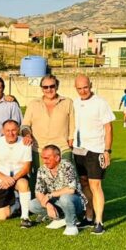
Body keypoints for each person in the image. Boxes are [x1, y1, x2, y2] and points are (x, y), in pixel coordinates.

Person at [72, 75, 115, 235]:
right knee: (84, 184)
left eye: (85, 87)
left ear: (90, 85)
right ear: (75, 88)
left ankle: (99, 221)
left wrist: (107, 151)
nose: (83, 91)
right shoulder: (74, 103)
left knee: (95, 185)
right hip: (78, 149)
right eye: (79, 88)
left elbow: (108, 129)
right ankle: (89, 216)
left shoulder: (100, 103)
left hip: (95, 149)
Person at [0, 119, 33, 227]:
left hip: (18, 177)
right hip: (1, 180)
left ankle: (25, 217)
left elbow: (26, 168)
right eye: (8, 130)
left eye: (14, 130)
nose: (11, 133)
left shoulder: (25, 143)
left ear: (18, 130)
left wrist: (12, 179)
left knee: (23, 184)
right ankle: (16, 204)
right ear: (3, 131)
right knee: (2, 217)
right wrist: (4, 178)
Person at [29, 145, 86, 236]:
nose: (44, 161)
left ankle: (72, 225)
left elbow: (71, 189)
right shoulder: (42, 169)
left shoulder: (67, 166)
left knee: (65, 198)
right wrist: (48, 205)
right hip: (56, 201)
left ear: (57, 157)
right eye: (43, 158)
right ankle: (59, 219)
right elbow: (38, 191)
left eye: (47, 158)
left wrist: (49, 195)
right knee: (32, 205)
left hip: (74, 201)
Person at [22, 74, 74, 154]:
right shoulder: (33, 104)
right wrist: (27, 135)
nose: (49, 89)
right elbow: (25, 125)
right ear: (42, 89)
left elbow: (72, 124)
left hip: (62, 149)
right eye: (45, 87)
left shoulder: (67, 102)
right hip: (39, 149)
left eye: (52, 86)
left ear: (57, 86)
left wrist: (71, 140)